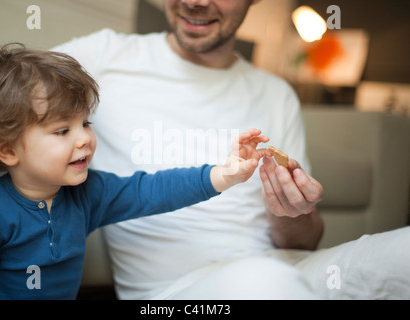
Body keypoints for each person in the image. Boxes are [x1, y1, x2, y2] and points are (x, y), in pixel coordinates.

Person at [52, 0, 410, 300]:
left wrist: (291, 211)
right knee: (269, 283)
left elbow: (306, 243)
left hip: (289, 269)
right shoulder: (104, 57)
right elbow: (7, 96)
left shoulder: (275, 93)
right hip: (171, 293)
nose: (195, 2)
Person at [0, 43, 273, 300]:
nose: (84, 138)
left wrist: (225, 173)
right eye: (61, 131)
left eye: (85, 123)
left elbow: (151, 191)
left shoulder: (87, 194)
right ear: (8, 150)